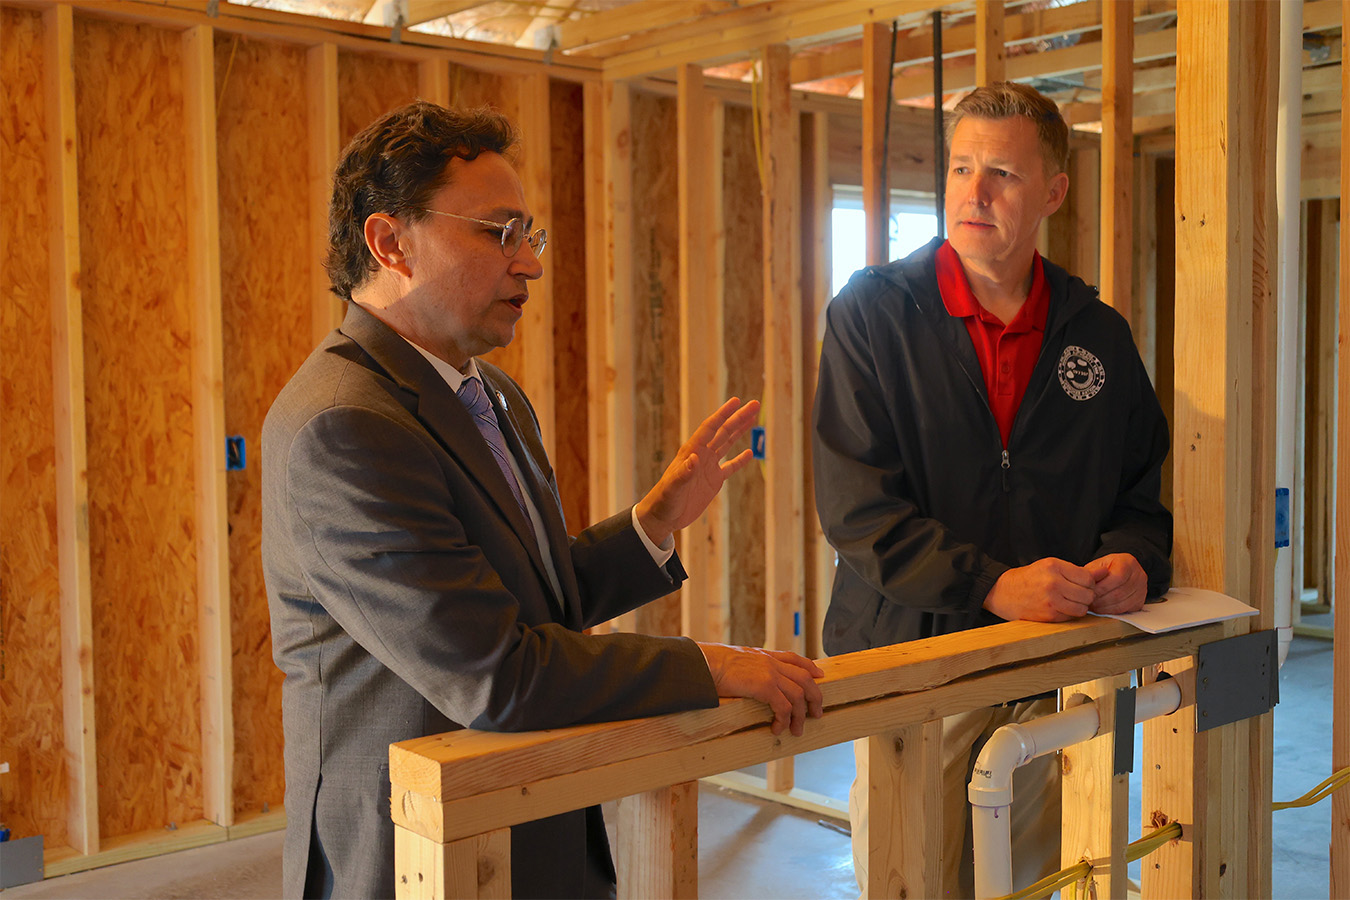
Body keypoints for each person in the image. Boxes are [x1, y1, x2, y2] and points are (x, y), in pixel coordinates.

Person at [262, 101, 824, 900]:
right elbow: (498, 673)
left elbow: (532, 603)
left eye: (529, 234)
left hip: (527, 826)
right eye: (499, 233)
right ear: (390, 243)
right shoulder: (345, 426)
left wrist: (652, 525)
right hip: (416, 860)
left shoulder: (491, 394)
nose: (528, 262)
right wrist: (713, 664)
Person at [811, 82, 1172, 898]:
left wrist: (1134, 561)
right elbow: (859, 512)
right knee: (913, 882)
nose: (974, 193)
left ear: (1053, 192)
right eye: (962, 168)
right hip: (914, 669)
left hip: (1053, 667)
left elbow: (1141, 496)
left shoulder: (1097, 336)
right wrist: (993, 585)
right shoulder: (873, 317)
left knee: (1035, 884)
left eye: (1002, 174)